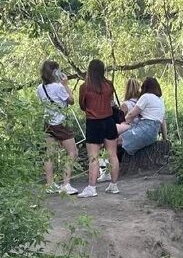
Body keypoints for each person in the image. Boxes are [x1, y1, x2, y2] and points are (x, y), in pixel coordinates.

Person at [77, 59, 119, 198]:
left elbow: (83, 106)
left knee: (93, 157)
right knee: (112, 154)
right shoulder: (109, 85)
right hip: (109, 120)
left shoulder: (85, 87)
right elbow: (111, 101)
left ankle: (92, 187)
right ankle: (113, 185)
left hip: (94, 122)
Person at [36, 60, 78, 195]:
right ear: (55, 72)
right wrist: (65, 85)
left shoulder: (39, 88)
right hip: (60, 123)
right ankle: (66, 183)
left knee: (49, 155)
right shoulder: (58, 87)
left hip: (47, 123)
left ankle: (50, 184)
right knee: (73, 152)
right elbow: (71, 101)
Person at [118, 76, 167, 161]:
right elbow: (163, 121)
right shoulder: (160, 100)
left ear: (144, 87)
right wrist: (165, 138)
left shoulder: (146, 97)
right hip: (153, 133)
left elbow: (131, 115)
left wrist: (122, 123)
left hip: (145, 129)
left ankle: (109, 168)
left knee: (116, 141)